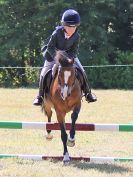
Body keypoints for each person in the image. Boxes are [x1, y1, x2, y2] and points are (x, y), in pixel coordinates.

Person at [33, 9, 97, 106]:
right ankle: (40, 96)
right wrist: (57, 58)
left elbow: (74, 50)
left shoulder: (77, 36)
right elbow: (50, 47)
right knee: (44, 72)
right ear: (64, 25)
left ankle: (88, 93)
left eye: (74, 27)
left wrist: (69, 59)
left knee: (82, 71)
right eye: (69, 27)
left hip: (69, 56)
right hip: (53, 55)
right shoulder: (56, 33)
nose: (71, 29)